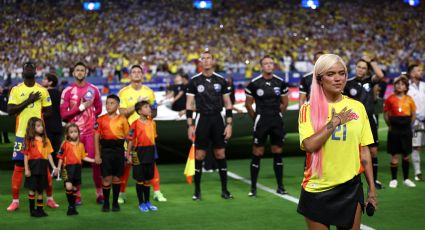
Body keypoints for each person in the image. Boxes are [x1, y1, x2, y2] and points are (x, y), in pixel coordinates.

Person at [297, 54, 377, 229]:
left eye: (342, 73)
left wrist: (372, 189)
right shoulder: (308, 109)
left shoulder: (357, 107)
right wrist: (334, 122)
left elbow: (364, 152)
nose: (338, 78)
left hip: (350, 188)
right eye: (331, 74)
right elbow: (309, 145)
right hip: (317, 188)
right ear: (319, 78)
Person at [7, 61, 59, 211]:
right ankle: (15, 201)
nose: (29, 69)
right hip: (21, 135)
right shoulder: (16, 90)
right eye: (26, 67)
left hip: (38, 136)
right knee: (19, 167)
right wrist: (29, 101)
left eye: (32, 67)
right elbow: (10, 110)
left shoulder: (42, 90)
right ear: (23, 72)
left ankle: (49, 198)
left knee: (44, 167)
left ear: (36, 71)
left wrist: (38, 120)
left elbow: (49, 111)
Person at [186, 49, 234, 200]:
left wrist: (229, 124)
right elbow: (189, 104)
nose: (206, 61)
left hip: (217, 119)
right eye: (203, 58)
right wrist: (190, 125)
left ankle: (225, 190)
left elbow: (227, 103)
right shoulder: (194, 81)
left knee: (220, 153)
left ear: (213, 61)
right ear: (200, 61)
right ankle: (197, 191)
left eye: (209, 58)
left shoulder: (221, 80)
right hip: (202, 119)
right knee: (200, 155)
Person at [118, 64, 167, 203]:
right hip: (130, 133)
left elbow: (154, 112)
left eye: (139, 71)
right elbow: (121, 113)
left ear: (142, 74)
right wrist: (137, 105)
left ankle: (157, 192)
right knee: (127, 163)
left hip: (147, 133)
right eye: (134, 72)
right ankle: (122, 193)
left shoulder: (149, 92)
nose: (137, 74)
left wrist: (153, 107)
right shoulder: (123, 92)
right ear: (130, 75)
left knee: (151, 163)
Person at [245, 55, 289, 197]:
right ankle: (253, 188)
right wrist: (257, 118)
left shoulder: (280, 83)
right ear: (261, 66)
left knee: (277, 152)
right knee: (257, 153)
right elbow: (248, 104)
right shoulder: (254, 83)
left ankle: (280, 186)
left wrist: (277, 115)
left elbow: (285, 103)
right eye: (266, 63)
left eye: (271, 63)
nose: (269, 65)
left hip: (276, 121)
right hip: (261, 122)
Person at [60, 62, 103, 204]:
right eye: (77, 70)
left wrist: (89, 119)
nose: (79, 72)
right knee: (75, 164)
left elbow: (98, 110)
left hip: (90, 134)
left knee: (96, 163)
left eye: (82, 70)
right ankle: (77, 195)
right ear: (73, 73)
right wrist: (81, 107)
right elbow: (63, 115)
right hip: (74, 137)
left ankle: (100, 193)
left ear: (86, 72)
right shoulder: (67, 91)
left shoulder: (94, 89)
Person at [343, 55, 385, 189]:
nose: (361, 70)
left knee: (373, 151)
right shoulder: (348, 83)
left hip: (370, 120)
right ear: (355, 68)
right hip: (354, 121)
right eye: (359, 67)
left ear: (367, 70)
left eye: (364, 68)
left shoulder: (370, 81)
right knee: (354, 151)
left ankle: (374, 181)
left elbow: (380, 75)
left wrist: (371, 61)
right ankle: (352, 179)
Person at [94, 94, 129, 212]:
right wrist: (97, 154)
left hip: (119, 151)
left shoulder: (123, 119)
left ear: (118, 105)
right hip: (106, 151)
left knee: (117, 178)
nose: (108, 105)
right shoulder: (100, 119)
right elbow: (96, 137)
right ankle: (106, 203)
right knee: (106, 178)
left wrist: (128, 154)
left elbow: (129, 138)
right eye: (107, 103)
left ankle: (115, 203)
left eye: (112, 103)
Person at [384, 76, 417, 188]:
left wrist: (409, 125)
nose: (400, 86)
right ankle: (394, 180)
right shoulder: (390, 99)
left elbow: (413, 114)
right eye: (397, 84)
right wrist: (390, 125)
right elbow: (386, 114)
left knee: (406, 155)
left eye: (402, 84)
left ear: (406, 87)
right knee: (394, 155)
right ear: (394, 86)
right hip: (394, 129)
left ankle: (406, 179)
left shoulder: (409, 99)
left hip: (406, 129)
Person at [126, 101, 159, 212]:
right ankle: (141, 203)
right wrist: (128, 154)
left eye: (149, 106)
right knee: (140, 179)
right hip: (137, 154)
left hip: (149, 153)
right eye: (146, 107)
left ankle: (148, 202)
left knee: (148, 180)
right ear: (139, 111)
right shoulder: (134, 124)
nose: (149, 108)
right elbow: (130, 141)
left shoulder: (152, 123)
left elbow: (154, 139)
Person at [57, 123, 95, 216]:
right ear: (67, 134)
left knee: (74, 188)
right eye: (71, 132)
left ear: (78, 133)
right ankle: (71, 206)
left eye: (75, 132)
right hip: (67, 168)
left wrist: (94, 160)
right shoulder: (65, 144)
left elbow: (83, 157)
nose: (73, 134)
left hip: (77, 168)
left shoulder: (81, 145)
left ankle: (72, 207)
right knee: (68, 187)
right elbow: (60, 157)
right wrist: (58, 168)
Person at [23, 117, 58, 217]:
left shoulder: (46, 140)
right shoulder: (28, 140)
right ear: (32, 128)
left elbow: (49, 155)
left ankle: (40, 209)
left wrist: (54, 167)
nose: (41, 127)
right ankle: (32, 210)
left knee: (40, 190)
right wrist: (26, 169)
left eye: (41, 125)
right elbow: (25, 155)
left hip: (43, 167)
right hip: (33, 167)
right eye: (38, 126)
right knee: (32, 189)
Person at [407, 64, 425, 181]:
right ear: (412, 73)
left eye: (422, 70)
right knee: (416, 146)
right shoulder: (407, 87)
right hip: (416, 122)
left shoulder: (424, 85)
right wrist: (417, 116)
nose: (421, 72)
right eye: (419, 70)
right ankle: (418, 171)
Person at [41, 73, 63, 164]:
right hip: (58, 124)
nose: (42, 81)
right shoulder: (59, 93)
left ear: (50, 82)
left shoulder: (43, 93)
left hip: (47, 125)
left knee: (47, 149)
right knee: (58, 149)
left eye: (45, 79)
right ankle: (59, 169)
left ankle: (50, 169)